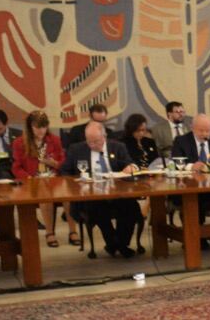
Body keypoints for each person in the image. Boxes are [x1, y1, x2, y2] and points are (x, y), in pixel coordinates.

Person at [63, 122, 140, 259]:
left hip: (116, 192)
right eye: (89, 141)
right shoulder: (76, 149)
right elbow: (64, 172)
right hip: (90, 195)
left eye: (96, 141)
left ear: (104, 136)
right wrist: (78, 181)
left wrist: (131, 167)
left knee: (132, 207)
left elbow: (130, 163)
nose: (92, 145)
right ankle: (113, 243)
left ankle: (120, 243)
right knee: (97, 207)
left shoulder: (118, 147)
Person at [171, 113, 210, 243]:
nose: (205, 134)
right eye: (201, 130)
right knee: (194, 200)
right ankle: (196, 238)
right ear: (192, 128)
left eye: (207, 130)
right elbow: (173, 163)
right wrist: (191, 166)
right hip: (190, 187)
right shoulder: (181, 141)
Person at [10, 110, 70, 246]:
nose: (41, 131)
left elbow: (64, 162)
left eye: (44, 127)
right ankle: (50, 233)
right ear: (30, 127)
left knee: (68, 195)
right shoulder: (19, 143)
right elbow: (16, 168)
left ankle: (73, 232)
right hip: (33, 181)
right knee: (45, 197)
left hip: (53, 179)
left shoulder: (54, 140)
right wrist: (30, 178)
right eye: (37, 127)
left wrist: (55, 164)